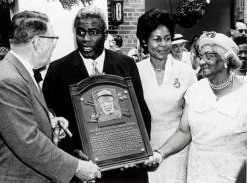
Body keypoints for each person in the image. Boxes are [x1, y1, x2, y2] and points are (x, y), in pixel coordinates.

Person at [42, 6, 151, 183]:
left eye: (93, 32)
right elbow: (50, 121)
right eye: (81, 32)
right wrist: (72, 155)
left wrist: (137, 152)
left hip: (125, 172)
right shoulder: (57, 70)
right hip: (83, 173)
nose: (86, 39)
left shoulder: (126, 64)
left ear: (105, 34)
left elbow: (141, 113)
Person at [0, 10, 101, 183]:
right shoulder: (9, 79)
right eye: (53, 39)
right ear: (38, 43)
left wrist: (49, 121)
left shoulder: (17, 72)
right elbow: (28, 143)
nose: (54, 45)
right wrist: (76, 167)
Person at [146, 32, 247, 183]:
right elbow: (184, 132)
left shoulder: (244, 92)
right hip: (199, 173)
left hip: (234, 174)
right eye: (201, 56)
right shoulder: (196, 91)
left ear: (226, 59)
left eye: (209, 56)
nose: (201, 62)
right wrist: (160, 153)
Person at [136, 8, 197, 183]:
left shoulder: (186, 73)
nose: (163, 44)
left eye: (167, 38)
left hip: (177, 150)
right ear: (144, 41)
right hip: (144, 153)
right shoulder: (134, 71)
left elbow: (191, 123)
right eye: (156, 39)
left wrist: (163, 152)